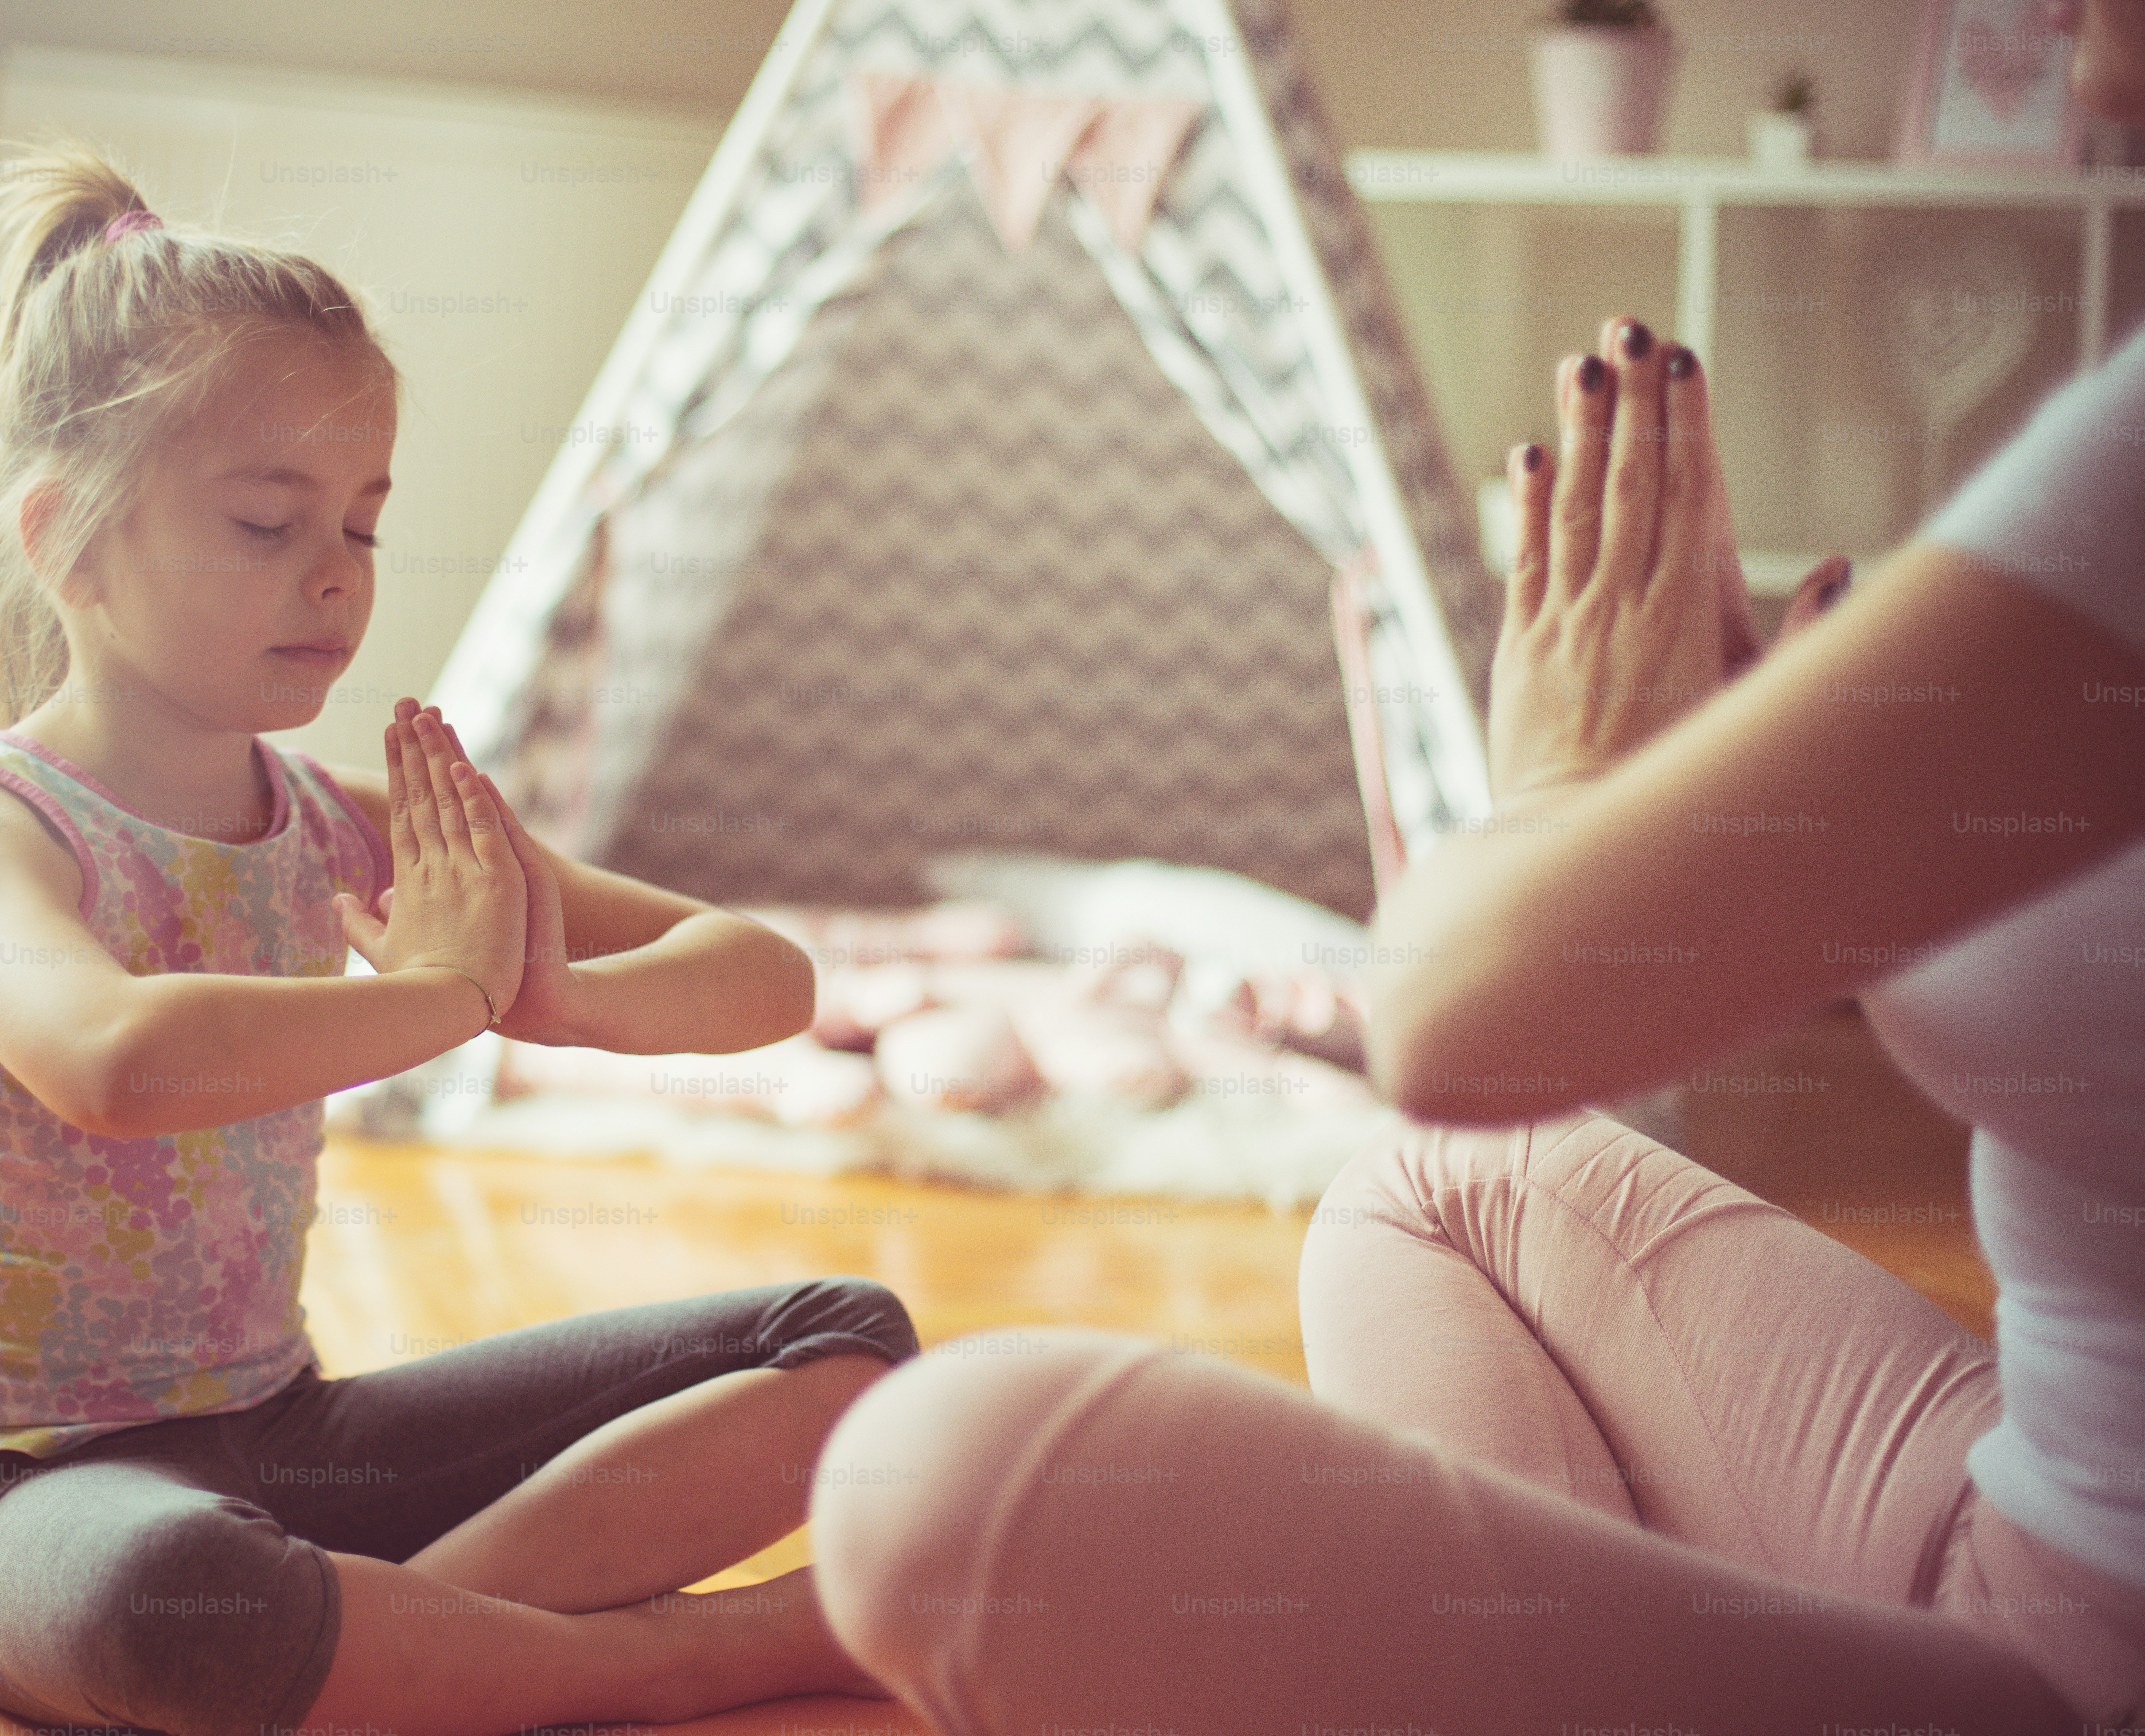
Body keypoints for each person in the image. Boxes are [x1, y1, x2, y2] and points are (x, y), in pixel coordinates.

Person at [803, 7, 2145, 1731]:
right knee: (1426, 1186)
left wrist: (1571, 795)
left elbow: (1453, 1021)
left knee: (934, 1484)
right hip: (2034, 1495)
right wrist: (1800, 853)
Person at [0, 143, 913, 1736]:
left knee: (848, 1346)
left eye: (360, 524)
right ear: (68, 540)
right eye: (269, 524)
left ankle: (414, 1641)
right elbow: (116, 1064)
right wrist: (439, 992)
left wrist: (553, 1000)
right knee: (178, 1604)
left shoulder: (350, 822)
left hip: (287, 1442)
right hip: (15, 1499)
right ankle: (703, 1656)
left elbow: (767, 971)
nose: (336, 581)